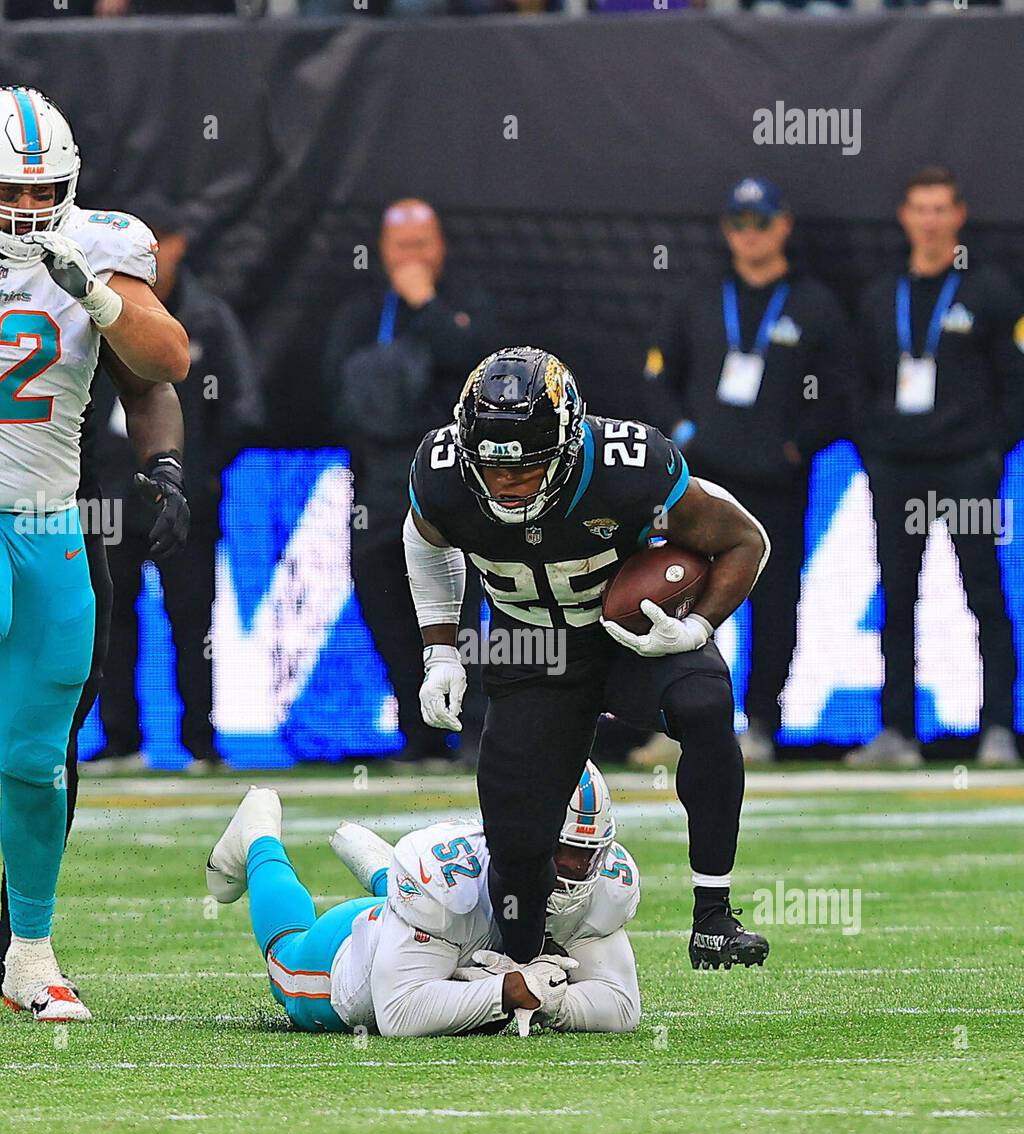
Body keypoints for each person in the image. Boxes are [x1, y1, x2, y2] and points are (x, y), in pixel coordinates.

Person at [405, 346, 771, 971]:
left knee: (704, 700)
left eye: (523, 469)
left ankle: (713, 913)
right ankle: (526, 955)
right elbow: (425, 540)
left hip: (630, 638)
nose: (506, 484)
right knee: (518, 843)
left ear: (568, 447)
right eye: (493, 470)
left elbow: (745, 539)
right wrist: (441, 651)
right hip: (533, 647)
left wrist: (698, 628)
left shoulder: (631, 465)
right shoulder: (441, 473)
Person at [0, 87, 189, 1022]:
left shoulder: (100, 244)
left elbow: (168, 362)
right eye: (9, 191)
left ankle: (28, 955)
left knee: (36, 758)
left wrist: (98, 295)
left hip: (46, 526)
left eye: (45, 190)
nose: (28, 211)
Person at [643, 177, 852, 764]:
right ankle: (672, 722)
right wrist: (683, 435)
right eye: (738, 222)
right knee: (676, 588)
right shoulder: (698, 295)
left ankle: (761, 720)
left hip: (773, 478)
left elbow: (841, 392)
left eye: (760, 222)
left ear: (783, 225)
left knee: (774, 595)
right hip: (699, 479)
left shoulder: (814, 302)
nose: (749, 235)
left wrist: (796, 445)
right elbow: (659, 376)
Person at [204, 762, 642, 1036]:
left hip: (430, 930)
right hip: (353, 957)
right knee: (286, 958)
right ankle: (258, 834)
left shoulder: (606, 884)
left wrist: (556, 1001)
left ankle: (382, 870)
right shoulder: (442, 881)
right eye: (561, 855)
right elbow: (399, 1012)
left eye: (587, 856)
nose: (575, 873)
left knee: (449, 922)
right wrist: (507, 991)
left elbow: (622, 1008)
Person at [848, 166, 1024, 768]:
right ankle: (896, 730)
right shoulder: (880, 294)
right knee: (897, 598)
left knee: (984, 593)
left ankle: (998, 726)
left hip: (964, 469)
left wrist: (989, 451)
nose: (929, 220)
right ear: (904, 217)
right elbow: (858, 382)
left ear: (959, 216)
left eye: (940, 208)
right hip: (897, 468)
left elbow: (1016, 382)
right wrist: (876, 446)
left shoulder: (989, 291)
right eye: (919, 208)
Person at [86, 193, 264, 774]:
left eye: (161, 242)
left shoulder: (207, 317)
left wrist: (198, 472)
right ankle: (120, 740)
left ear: (180, 245)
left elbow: (240, 408)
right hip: (106, 495)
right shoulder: (86, 305)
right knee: (108, 614)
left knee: (193, 617)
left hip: (182, 491)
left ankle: (200, 742)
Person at [324, 199, 497, 766]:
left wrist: (426, 302)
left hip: (453, 483)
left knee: (459, 607)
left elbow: (481, 365)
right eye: (402, 247)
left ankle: (474, 730)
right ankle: (418, 730)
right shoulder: (359, 313)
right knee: (385, 601)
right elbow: (333, 388)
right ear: (383, 251)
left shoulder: (466, 304)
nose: (412, 257)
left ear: (440, 247)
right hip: (377, 486)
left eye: (422, 244)